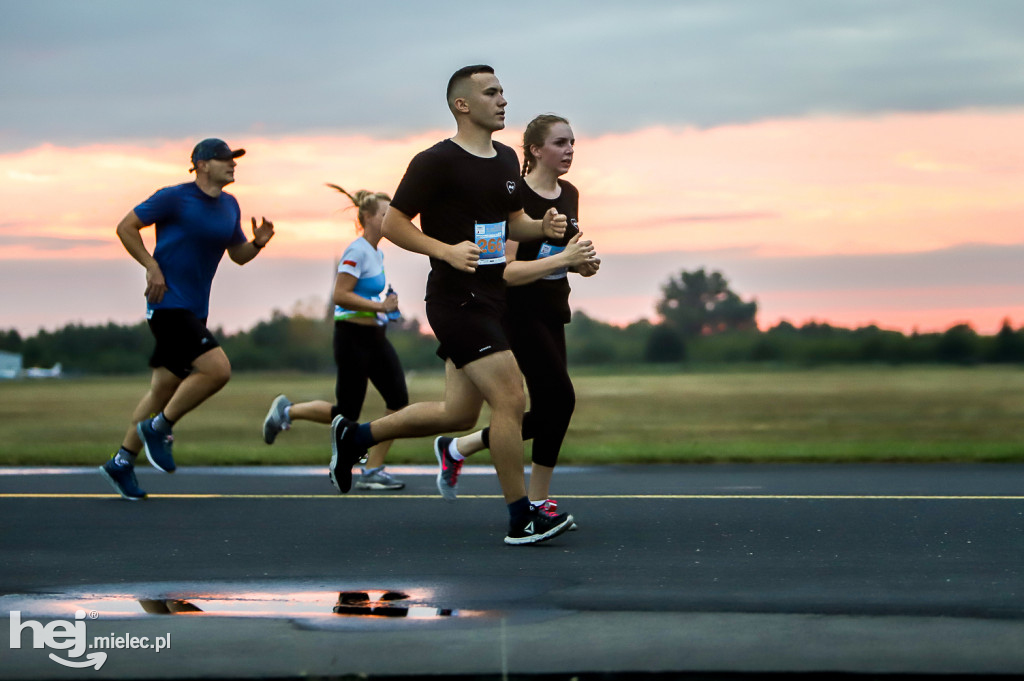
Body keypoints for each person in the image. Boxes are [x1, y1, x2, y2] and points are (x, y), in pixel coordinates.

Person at [329, 65, 575, 545]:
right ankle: (521, 517)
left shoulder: (505, 158)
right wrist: (442, 249)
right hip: (455, 300)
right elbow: (396, 223)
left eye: (503, 91)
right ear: (462, 105)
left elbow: (511, 223)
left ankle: (355, 437)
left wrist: (541, 228)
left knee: (458, 415)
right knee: (510, 398)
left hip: (492, 297)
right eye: (490, 92)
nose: (502, 99)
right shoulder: (435, 161)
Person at [433, 115, 599, 525]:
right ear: (536, 150)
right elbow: (503, 271)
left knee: (553, 408)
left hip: (551, 310)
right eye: (560, 143)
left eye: (573, 142)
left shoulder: (570, 193)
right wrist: (562, 259)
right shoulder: (514, 195)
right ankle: (534, 499)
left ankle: (461, 448)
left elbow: (563, 252)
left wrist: (582, 264)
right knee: (560, 400)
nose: (570, 150)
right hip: (513, 313)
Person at [99, 138, 274, 500]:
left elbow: (237, 255)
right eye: (225, 159)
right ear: (202, 164)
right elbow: (126, 227)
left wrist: (256, 243)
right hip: (167, 306)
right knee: (217, 369)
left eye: (235, 159)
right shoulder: (173, 197)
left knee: (162, 390)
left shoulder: (230, 205)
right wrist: (151, 267)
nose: (233, 164)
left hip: (194, 310)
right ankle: (160, 427)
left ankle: (121, 462)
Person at [262, 184, 409, 491]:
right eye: (384, 213)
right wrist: (379, 305)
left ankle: (374, 470)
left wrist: (386, 308)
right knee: (347, 413)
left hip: (375, 335)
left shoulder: (377, 252)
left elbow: (365, 293)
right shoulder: (357, 250)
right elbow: (340, 294)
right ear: (367, 217)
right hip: (352, 336)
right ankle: (286, 411)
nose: (389, 218)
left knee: (398, 401)